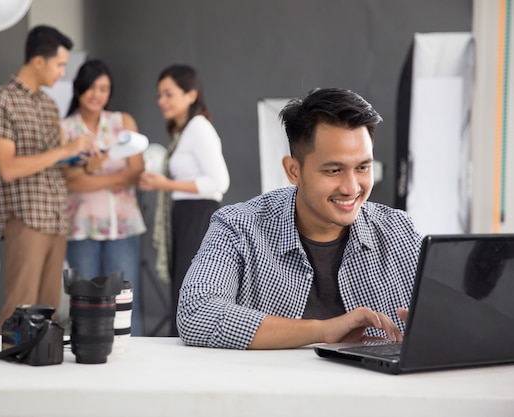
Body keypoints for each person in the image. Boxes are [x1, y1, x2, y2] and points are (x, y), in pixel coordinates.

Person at [176, 87, 424, 349]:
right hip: (272, 388)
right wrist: (323, 330)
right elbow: (196, 313)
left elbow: (458, 318)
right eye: (333, 170)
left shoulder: (399, 230)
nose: (351, 188)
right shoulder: (238, 226)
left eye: (362, 167)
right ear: (293, 171)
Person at [0, 25, 94, 334]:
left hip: (57, 216)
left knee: (49, 313)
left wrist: (77, 157)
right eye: (60, 65)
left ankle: (38, 374)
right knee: (19, 310)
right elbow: (9, 168)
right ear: (38, 61)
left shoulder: (49, 105)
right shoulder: (1, 101)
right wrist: (64, 150)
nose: (62, 73)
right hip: (27, 216)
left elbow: (54, 159)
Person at [139, 64, 230, 336]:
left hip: (198, 215)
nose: (161, 101)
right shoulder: (184, 131)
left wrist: (166, 184)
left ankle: (190, 355)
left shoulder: (199, 128)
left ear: (191, 95)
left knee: (189, 291)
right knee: (182, 289)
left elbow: (219, 182)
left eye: (169, 94)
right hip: (184, 214)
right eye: (159, 95)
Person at [61, 59, 147, 336]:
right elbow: (70, 181)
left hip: (122, 224)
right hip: (81, 226)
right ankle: (87, 357)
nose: (97, 95)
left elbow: (137, 172)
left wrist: (91, 171)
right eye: (91, 87)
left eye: (104, 88)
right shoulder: (65, 129)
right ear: (79, 89)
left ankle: (133, 363)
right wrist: (105, 175)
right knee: (86, 301)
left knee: (125, 301)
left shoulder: (123, 123)